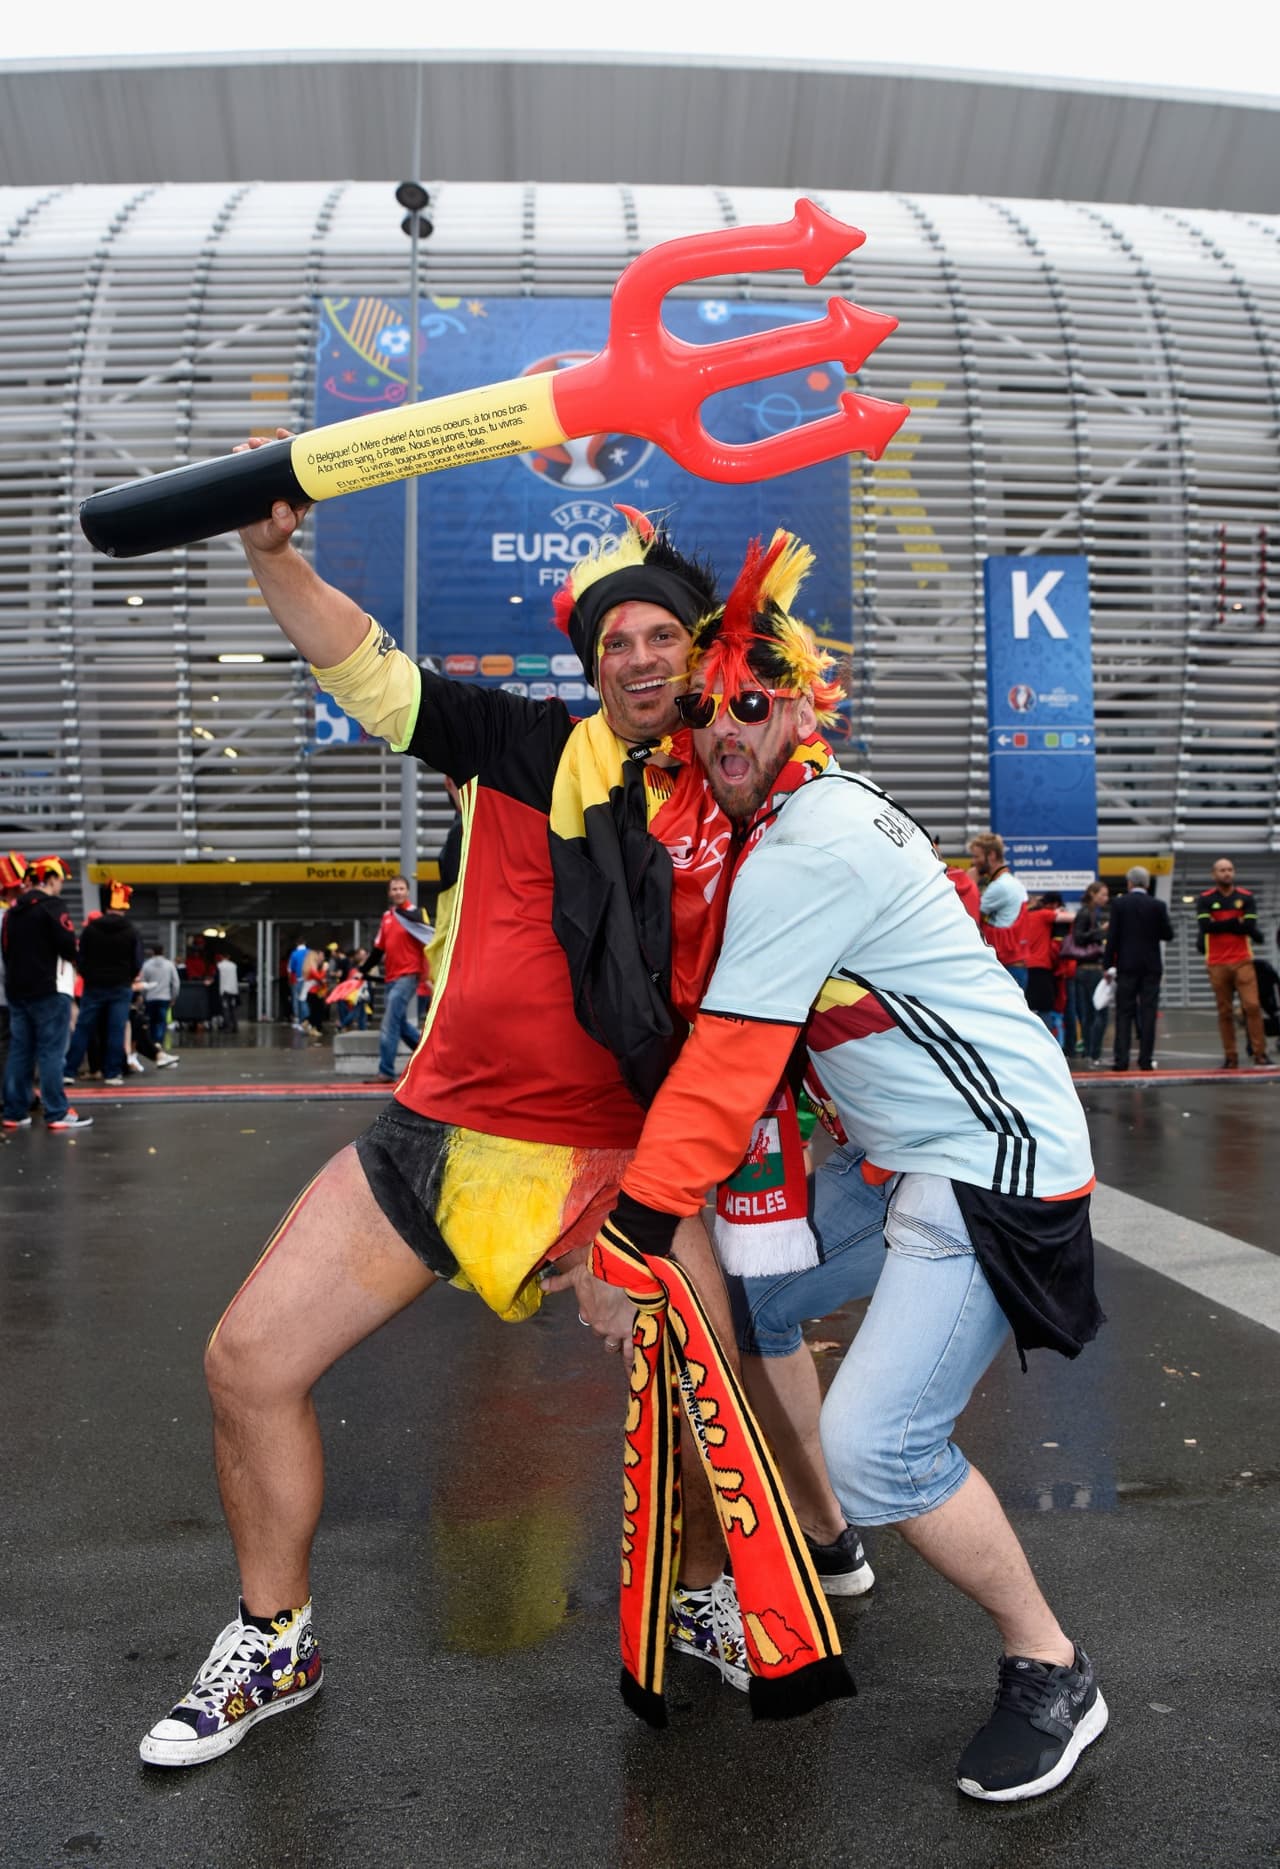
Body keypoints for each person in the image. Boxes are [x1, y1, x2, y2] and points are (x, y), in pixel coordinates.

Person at [138, 485, 843, 1770]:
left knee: (706, 1397)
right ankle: (272, 1636)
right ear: (589, 664)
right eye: (611, 641)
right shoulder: (515, 746)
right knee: (246, 1362)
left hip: (619, 1162)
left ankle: (695, 1595)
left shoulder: (737, 793)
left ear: (700, 652)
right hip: (441, 1136)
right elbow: (363, 662)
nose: (635, 658)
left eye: (659, 638)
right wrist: (267, 553)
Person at [575, 531, 1107, 1803]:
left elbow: (721, 1071)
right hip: (905, 1167)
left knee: (878, 1447)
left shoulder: (810, 837)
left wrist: (627, 1230)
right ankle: (830, 1547)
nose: (722, 728)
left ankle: (1051, 1668)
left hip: (985, 1168)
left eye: (752, 700)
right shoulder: (776, 834)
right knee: (754, 1303)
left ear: (805, 702)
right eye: (702, 712)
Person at [2, 855, 92, 1132]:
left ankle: (15, 1112)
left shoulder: (12, 912)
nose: (61, 886)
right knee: (52, 1053)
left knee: (20, 1052)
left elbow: (5, 951)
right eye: (60, 880)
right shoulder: (52, 907)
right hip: (50, 990)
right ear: (50, 879)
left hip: (17, 991)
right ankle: (57, 1112)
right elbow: (68, 945)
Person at [62, 881, 144, 1088]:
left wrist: (88, 975)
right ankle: (112, 1073)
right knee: (116, 1030)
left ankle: (69, 1071)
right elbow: (137, 961)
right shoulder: (131, 931)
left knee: (83, 1029)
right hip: (120, 986)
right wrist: (127, 977)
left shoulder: (91, 930)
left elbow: (80, 957)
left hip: (94, 986)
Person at [1195, 857, 1267, 1069]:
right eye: (1222, 870)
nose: (1226, 873)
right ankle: (1230, 1056)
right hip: (1216, 962)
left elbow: (1250, 926)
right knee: (1224, 1011)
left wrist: (1223, 923)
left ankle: (1259, 1053)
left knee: (1252, 1006)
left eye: (1229, 869)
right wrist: (1236, 922)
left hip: (1243, 959)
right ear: (1214, 875)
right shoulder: (1205, 898)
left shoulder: (1246, 897)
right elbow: (1206, 926)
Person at [1104, 867, 1173, 1072]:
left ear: (1129, 883)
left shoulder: (1119, 904)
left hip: (1126, 965)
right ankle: (1145, 1060)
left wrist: (1108, 964)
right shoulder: (1158, 905)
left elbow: (1113, 937)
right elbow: (1168, 934)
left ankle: (1121, 1060)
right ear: (1147, 884)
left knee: (1124, 1013)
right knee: (1148, 1012)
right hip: (1151, 965)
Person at [367, 876, 431, 1081]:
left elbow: (427, 944)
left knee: (389, 1023)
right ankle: (430, 1057)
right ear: (389, 893)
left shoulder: (416, 914)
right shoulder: (387, 917)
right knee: (399, 1023)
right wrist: (362, 969)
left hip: (408, 975)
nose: (397, 892)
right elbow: (378, 949)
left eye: (401, 888)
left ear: (408, 891)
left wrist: (426, 975)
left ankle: (386, 1071)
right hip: (391, 977)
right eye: (394, 889)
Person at [966, 831, 1029, 985]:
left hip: (1005, 967)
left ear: (992, 855)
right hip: (1015, 964)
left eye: (977, 856)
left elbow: (967, 916)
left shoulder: (999, 886)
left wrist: (969, 884)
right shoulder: (1012, 882)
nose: (974, 862)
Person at [1069, 881, 1110, 1066]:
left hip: (1083, 970)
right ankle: (1093, 1052)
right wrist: (1101, 931)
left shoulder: (1089, 912)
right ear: (1093, 894)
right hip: (1090, 969)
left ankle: (1088, 1050)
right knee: (1098, 1012)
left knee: (1088, 1013)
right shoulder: (1086, 913)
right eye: (1102, 894)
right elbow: (1079, 937)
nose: (1105, 899)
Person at [140, 945, 181, 1059]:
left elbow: (142, 981)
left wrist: (144, 996)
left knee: (151, 1021)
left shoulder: (146, 965)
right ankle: (158, 1042)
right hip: (164, 997)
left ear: (153, 952)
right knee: (161, 1022)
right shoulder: (169, 965)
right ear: (163, 951)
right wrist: (173, 997)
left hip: (150, 997)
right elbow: (176, 983)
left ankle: (152, 1042)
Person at [286, 936, 309, 1030]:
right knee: (306, 1000)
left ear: (297, 944)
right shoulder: (310, 952)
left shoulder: (294, 954)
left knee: (297, 999)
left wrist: (290, 981)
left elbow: (290, 969)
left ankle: (299, 1019)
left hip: (298, 979)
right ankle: (307, 1019)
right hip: (310, 979)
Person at [215, 953, 241, 1033]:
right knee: (233, 1009)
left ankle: (228, 1026)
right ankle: (235, 1026)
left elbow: (217, 977)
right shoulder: (233, 965)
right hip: (233, 990)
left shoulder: (220, 965)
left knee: (225, 1009)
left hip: (224, 990)